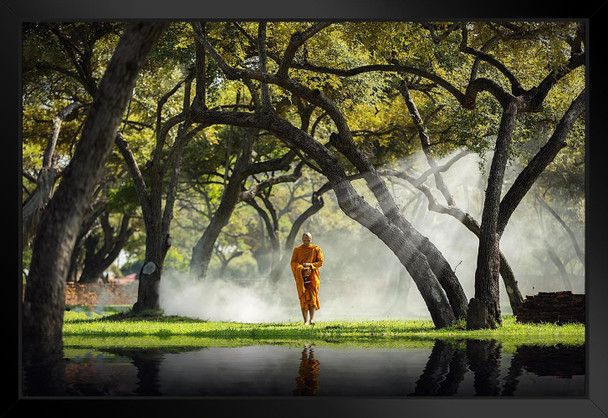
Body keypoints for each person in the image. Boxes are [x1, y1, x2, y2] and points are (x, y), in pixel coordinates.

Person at [290, 232, 324, 325]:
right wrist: (300, 268)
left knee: (312, 298)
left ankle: (311, 319)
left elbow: (320, 262)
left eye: (308, 240)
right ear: (302, 240)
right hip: (301, 277)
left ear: (311, 240)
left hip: (313, 277)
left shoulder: (316, 249)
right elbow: (293, 262)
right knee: (303, 298)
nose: (306, 242)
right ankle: (305, 320)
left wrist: (310, 265)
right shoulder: (297, 250)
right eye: (304, 240)